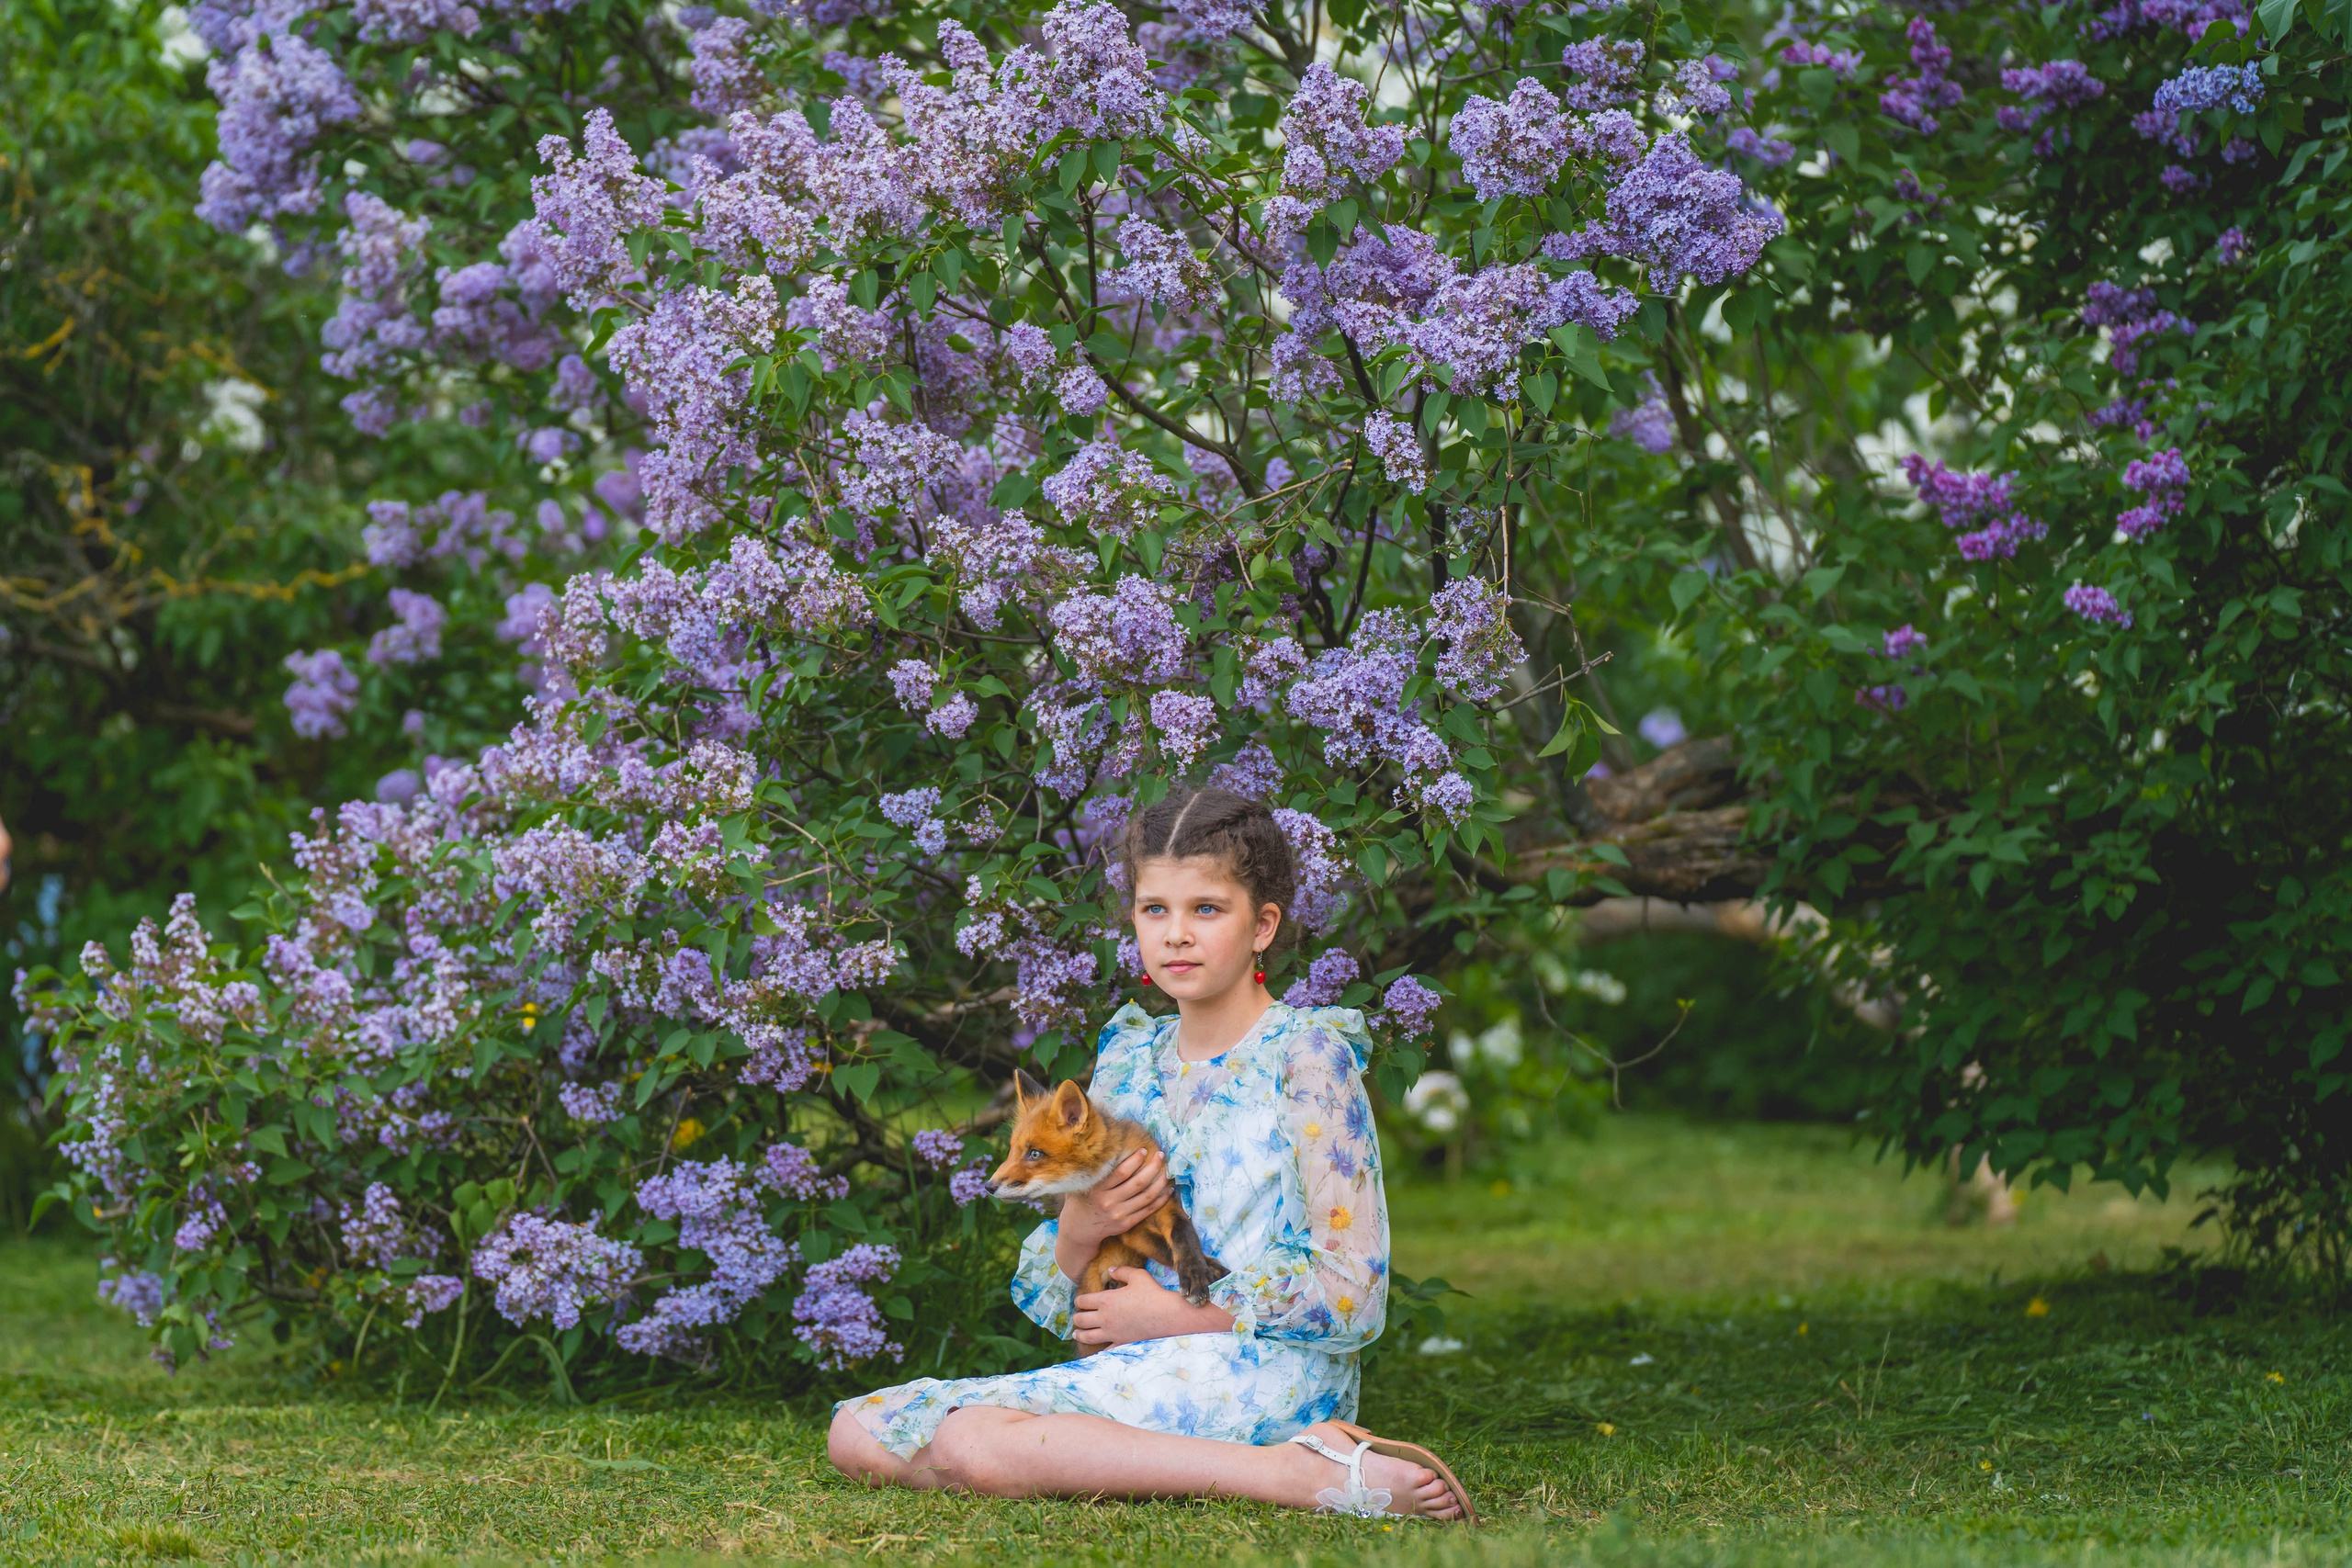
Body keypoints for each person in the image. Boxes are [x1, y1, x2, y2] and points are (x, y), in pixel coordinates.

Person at [828, 785, 1472, 1520]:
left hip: (1266, 1366)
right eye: (1153, 909)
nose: (1176, 934)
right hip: (1141, 1359)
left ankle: (1293, 1471)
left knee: (973, 1443)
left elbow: (1353, 1292)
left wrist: (1176, 1314)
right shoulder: (1128, 1058)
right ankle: (1202, 1462)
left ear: (1263, 925)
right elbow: (1070, 1288)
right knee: (857, 1430)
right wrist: (1078, 1231)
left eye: (1206, 909)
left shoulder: (1307, 1057)